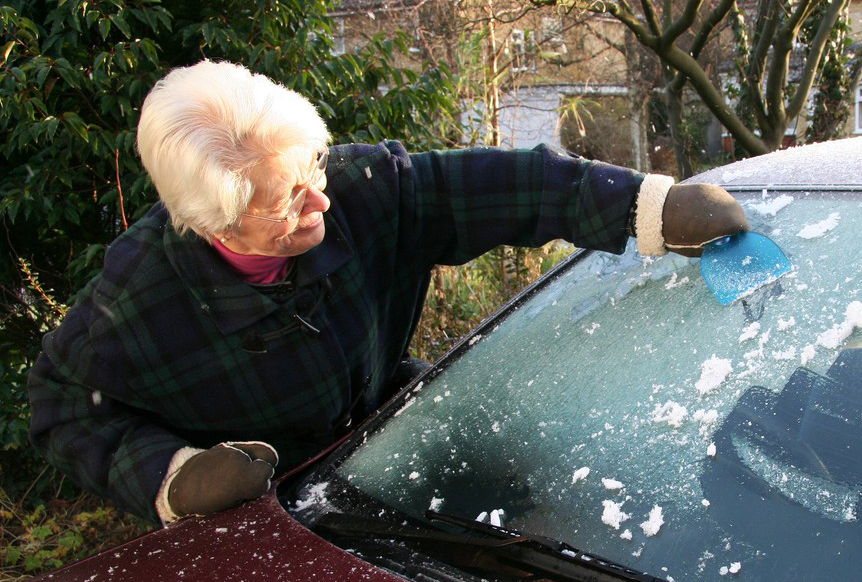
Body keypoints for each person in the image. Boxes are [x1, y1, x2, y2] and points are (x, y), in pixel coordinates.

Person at [26, 60, 748, 525]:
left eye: (313, 164)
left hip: (390, 447)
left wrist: (642, 208)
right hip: (271, 520)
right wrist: (173, 479)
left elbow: (500, 187)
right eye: (284, 200)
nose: (320, 201)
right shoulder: (138, 301)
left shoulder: (360, 190)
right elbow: (63, 411)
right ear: (213, 221)